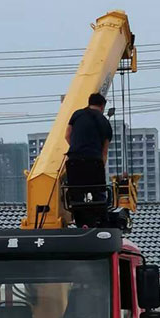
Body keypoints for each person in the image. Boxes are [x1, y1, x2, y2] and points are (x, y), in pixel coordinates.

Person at [64, 92, 113, 227]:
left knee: (76, 196)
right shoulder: (105, 123)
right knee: (99, 195)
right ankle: (102, 222)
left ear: (89, 102)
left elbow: (67, 135)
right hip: (94, 162)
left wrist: (77, 150)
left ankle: (80, 221)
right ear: (102, 106)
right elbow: (104, 152)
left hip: (74, 162)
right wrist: (99, 164)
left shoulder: (77, 115)